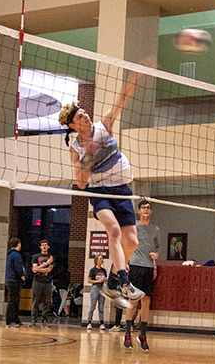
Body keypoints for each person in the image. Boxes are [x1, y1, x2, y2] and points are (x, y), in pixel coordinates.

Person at [58, 70, 145, 310]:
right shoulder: (75, 148)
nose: (85, 116)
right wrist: (90, 156)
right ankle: (125, 282)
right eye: (80, 116)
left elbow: (121, 99)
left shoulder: (104, 124)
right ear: (72, 125)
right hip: (99, 192)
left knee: (132, 241)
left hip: (122, 189)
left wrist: (135, 79)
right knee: (114, 230)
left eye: (84, 112)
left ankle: (113, 283)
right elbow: (82, 183)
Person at [124, 199, 161, 351]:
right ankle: (127, 333)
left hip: (148, 267)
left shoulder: (156, 230)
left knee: (146, 300)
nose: (146, 210)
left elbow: (157, 248)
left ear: (151, 211)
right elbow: (125, 245)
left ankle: (143, 335)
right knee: (133, 300)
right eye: (143, 208)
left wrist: (155, 258)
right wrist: (125, 262)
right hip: (134, 266)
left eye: (148, 208)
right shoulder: (133, 228)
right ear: (139, 211)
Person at [30, 240, 54, 327]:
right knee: (35, 301)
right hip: (37, 281)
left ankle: (45, 320)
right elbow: (34, 269)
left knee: (46, 302)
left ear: (48, 247)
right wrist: (45, 264)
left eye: (46, 245)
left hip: (47, 282)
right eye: (42, 245)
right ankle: (33, 320)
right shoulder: (36, 257)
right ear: (40, 247)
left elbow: (49, 270)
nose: (44, 247)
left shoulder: (51, 257)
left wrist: (39, 268)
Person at [5, 238, 26, 328]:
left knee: (15, 300)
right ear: (18, 244)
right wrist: (23, 276)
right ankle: (10, 321)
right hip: (14, 280)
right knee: (13, 301)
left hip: (9, 280)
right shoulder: (16, 255)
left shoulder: (8, 254)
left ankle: (16, 319)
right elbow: (19, 267)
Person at [87, 254, 107, 330]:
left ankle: (101, 323)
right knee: (93, 306)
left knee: (101, 306)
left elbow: (105, 279)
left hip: (102, 288)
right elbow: (89, 280)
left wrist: (105, 280)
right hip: (95, 287)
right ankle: (89, 322)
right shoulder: (92, 270)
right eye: (100, 258)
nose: (102, 260)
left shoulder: (104, 270)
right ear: (97, 260)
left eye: (102, 259)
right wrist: (98, 280)